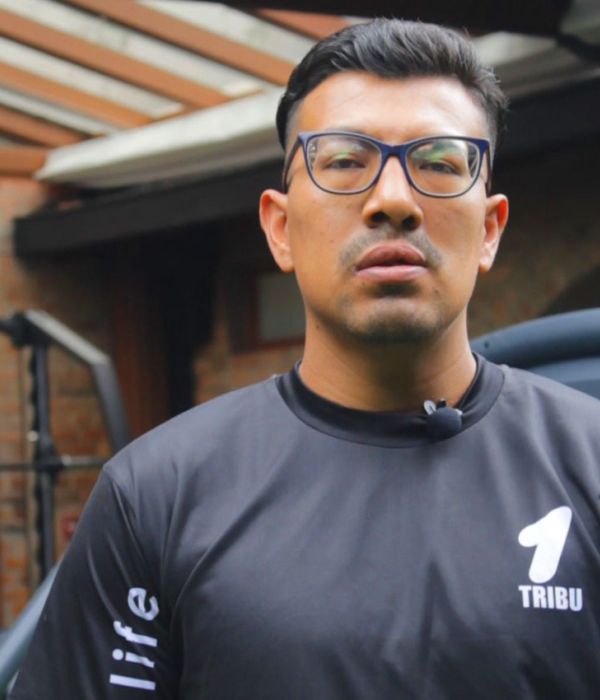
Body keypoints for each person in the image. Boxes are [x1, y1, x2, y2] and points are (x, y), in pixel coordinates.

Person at [10, 18, 600, 700]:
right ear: (281, 228)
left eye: (439, 162)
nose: (393, 200)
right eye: (344, 161)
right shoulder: (157, 496)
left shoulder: (587, 463)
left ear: (490, 229)